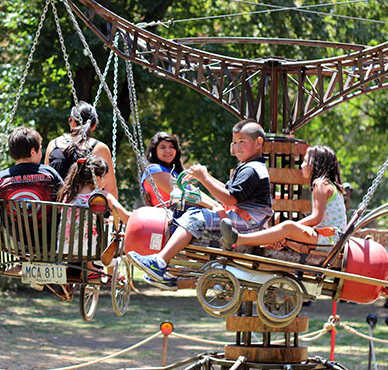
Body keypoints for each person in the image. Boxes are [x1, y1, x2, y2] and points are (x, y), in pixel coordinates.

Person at [128, 120, 273, 290]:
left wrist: (204, 178)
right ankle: (169, 270)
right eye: (235, 142)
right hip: (249, 220)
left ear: (258, 143)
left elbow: (230, 199)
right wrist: (205, 177)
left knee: (194, 217)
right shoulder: (249, 167)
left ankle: (159, 263)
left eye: (242, 142)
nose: (237, 147)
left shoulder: (251, 169)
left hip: (249, 223)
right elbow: (227, 190)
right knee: (194, 217)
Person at [220, 145, 347, 254]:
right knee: (285, 233)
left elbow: (316, 218)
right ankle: (258, 241)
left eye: (305, 161)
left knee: (287, 226)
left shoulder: (321, 184)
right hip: (330, 239)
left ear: (314, 164)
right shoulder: (329, 185)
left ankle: (239, 239)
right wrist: (282, 234)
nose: (302, 165)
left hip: (328, 239)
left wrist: (289, 228)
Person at [0, 126, 64, 246]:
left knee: (1, 212)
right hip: (50, 240)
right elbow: (67, 199)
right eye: (40, 150)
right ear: (33, 152)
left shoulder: (0, 178)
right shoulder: (49, 174)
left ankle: (19, 259)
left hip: (17, 242)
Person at [58, 156, 131, 259]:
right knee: (119, 236)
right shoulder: (102, 195)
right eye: (105, 178)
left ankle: (90, 270)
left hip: (64, 247)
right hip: (91, 249)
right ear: (97, 179)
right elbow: (126, 218)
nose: (105, 182)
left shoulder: (68, 194)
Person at [45, 101, 118, 198]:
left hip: (54, 211)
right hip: (84, 211)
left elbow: (46, 181)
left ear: (72, 121)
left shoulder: (52, 145)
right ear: (94, 126)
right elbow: (111, 189)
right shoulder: (99, 148)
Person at [141, 132, 215, 209]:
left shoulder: (174, 172)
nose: (168, 151)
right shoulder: (154, 170)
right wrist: (213, 207)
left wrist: (218, 205)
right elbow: (179, 195)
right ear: (155, 152)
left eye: (171, 147)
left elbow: (195, 193)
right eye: (162, 147)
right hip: (172, 216)